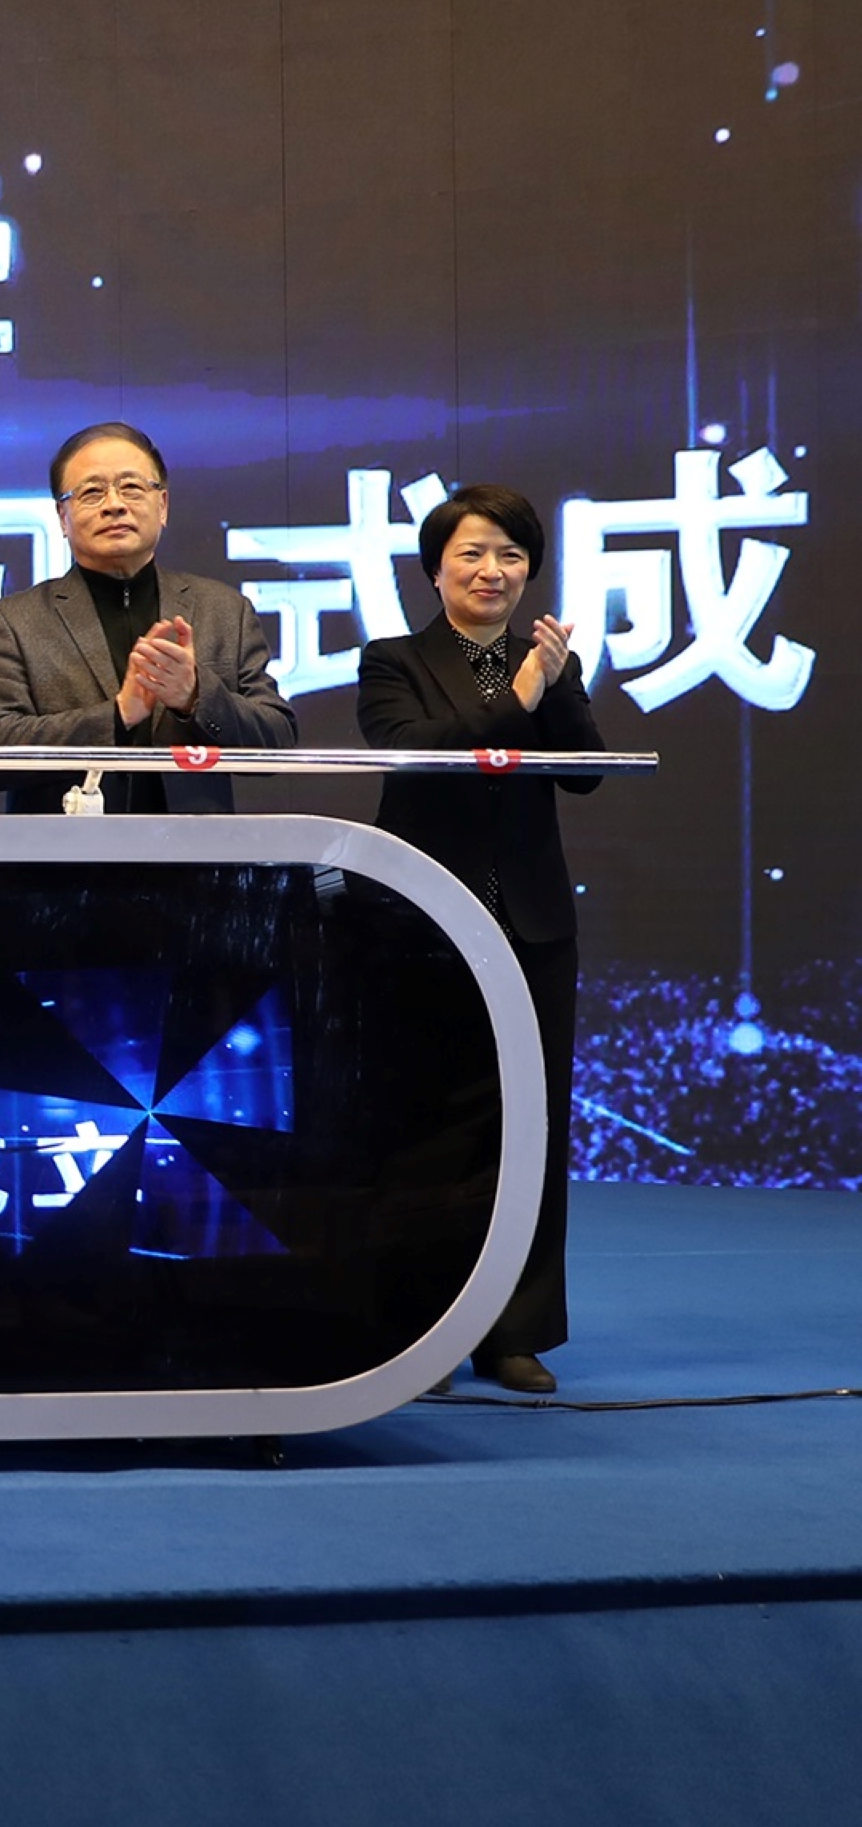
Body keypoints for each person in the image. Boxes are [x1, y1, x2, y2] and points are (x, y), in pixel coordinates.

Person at [357, 485, 602, 1396]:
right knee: (424, 1123)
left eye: (510, 554)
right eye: (471, 553)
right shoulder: (393, 660)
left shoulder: (546, 658)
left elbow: (584, 773)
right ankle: (418, 1329)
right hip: (427, 921)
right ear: (435, 570)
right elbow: (428, 756)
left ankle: (515, 1331)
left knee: (531, 1125)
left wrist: (553, 681)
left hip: (533, 923)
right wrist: (524, 691)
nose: (491, 571)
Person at [0, 422, 293, 811]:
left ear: (163, 506)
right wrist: (117, 716)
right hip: (67, 847)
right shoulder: (16, 621)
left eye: (132, 487)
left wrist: (195, 697)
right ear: (62, 516)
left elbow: (277, 740)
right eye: (92, 492)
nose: (114, 505)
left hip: (193, 847)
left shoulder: (223, 610)